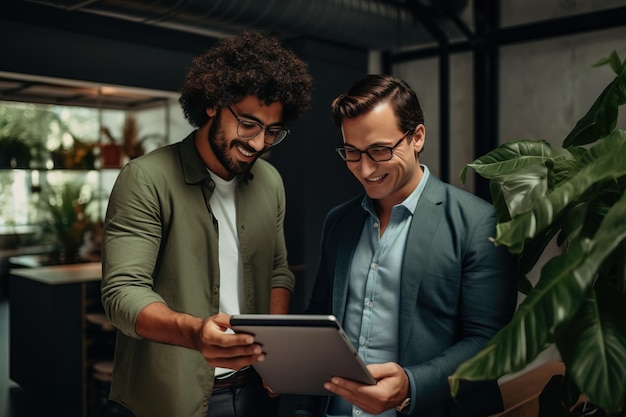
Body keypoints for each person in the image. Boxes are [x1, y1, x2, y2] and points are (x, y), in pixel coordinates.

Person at [101, 31, 312, 417]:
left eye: (272, 132)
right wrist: (195, 333)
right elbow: (122, 293)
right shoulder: (146, 179)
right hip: (168, 398)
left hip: (255, 391)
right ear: (214, 103)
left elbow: (279, 272)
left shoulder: (270, 182)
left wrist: (276, 355)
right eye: (248, 124)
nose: (259, 143)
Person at [295, 74, 518, 417]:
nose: (365, 169)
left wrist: (411, 385)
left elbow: (489, 343)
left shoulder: (478, 222)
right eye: (352, 152)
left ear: (417, 137)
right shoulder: (339, 222)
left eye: (380, 151)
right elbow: (321, 321)